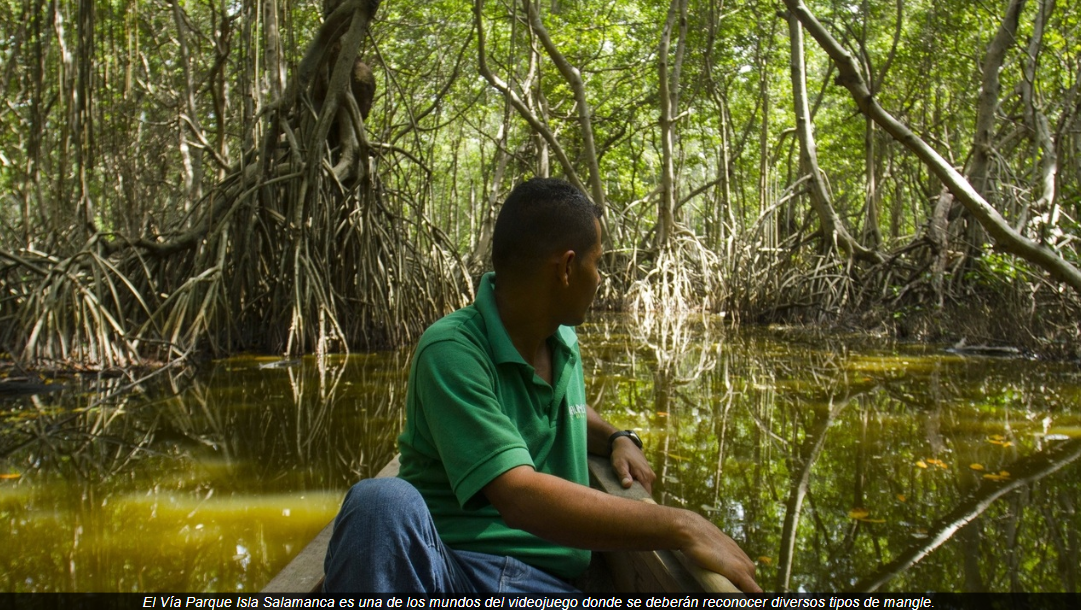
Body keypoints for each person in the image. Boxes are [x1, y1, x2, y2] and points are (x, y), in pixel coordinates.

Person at [323, 178, 760, 593]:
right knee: (377, 502)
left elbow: (562, 410)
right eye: (598, 262)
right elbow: (518, 496)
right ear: (568, 268)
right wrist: (684, 525)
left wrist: (617, 438)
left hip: (550, 587)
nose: (602, 277)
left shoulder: (561, 339)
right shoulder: (451, 351)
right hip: (453, 574)